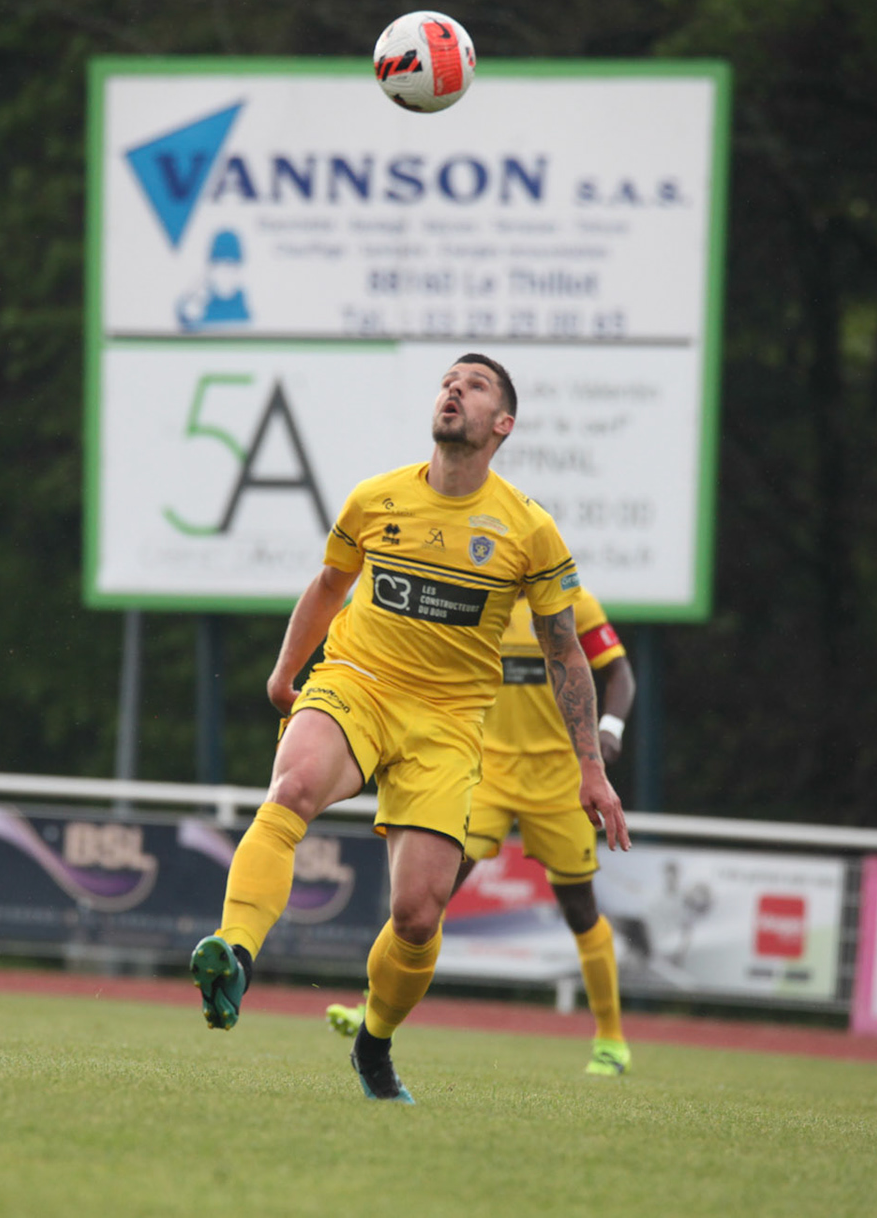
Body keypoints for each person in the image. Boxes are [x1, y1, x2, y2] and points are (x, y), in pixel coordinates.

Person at [188, 352, 631, 1103]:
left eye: (476, 384)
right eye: (449, 380)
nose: (455, 388)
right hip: (357, 683)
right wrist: (284, 673)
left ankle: (374, 1044)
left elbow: (566, 652)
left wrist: (592, 767)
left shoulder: (529, 530)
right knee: (291, 789)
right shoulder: (376, 498)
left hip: (449, 724)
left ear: (503, 424)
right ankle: (235, 954)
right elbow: (330, 585)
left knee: (419, 917)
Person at [325, 584, 638, 1076]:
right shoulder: (476, 597)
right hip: (484, 772)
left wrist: (609, 730)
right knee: (428, 894)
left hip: (560, 778)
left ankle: (612, 1042)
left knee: (579, 907)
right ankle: (371, 1005)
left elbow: (619, 672)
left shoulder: (572, 602)